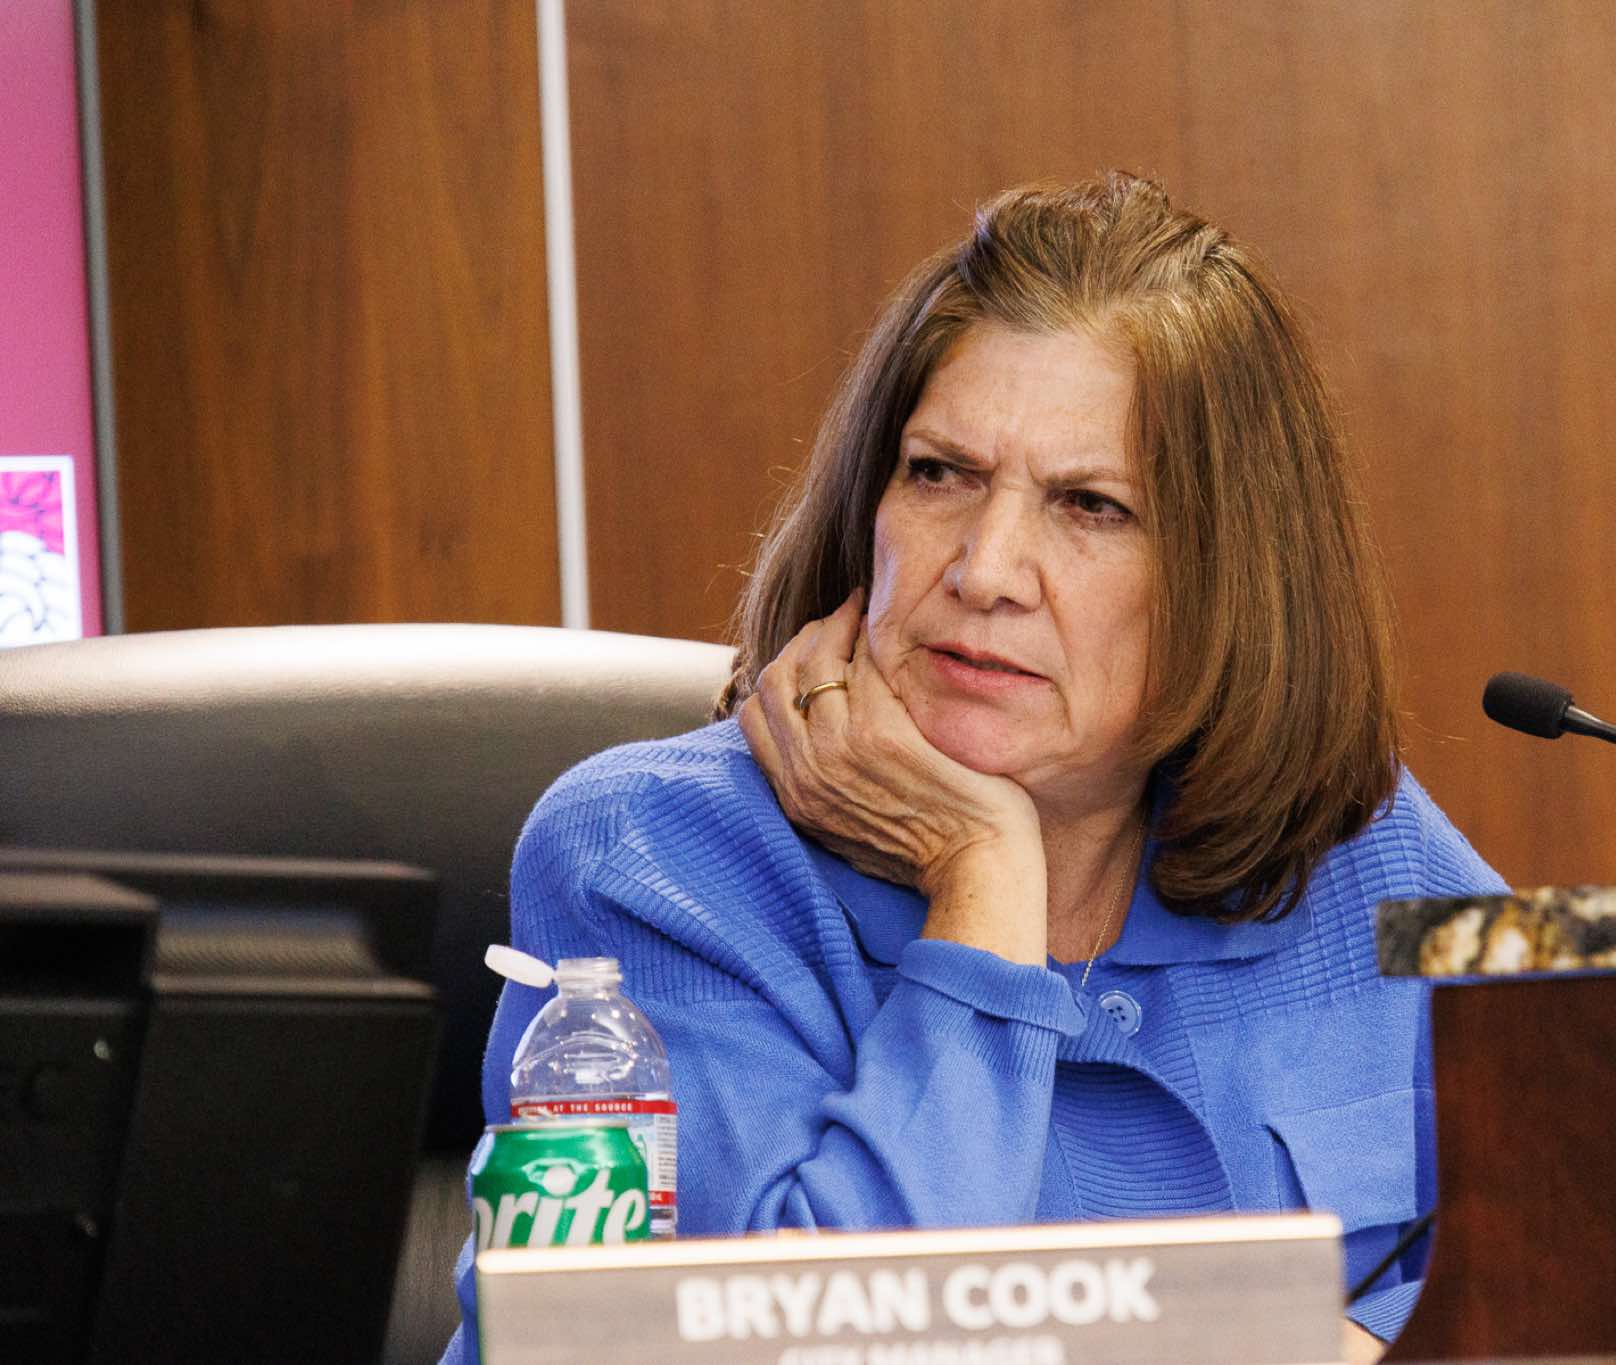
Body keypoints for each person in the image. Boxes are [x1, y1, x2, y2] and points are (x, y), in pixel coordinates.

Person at [442, 173, 1505, 1365]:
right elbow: (786, 1353)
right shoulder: (649, 861)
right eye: (938, 473)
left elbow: (1599, 1190)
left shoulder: (1356, 843)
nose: (985, 569)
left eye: (1089, 506)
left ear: (1234, 579)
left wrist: (1369, 1340)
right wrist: (982, 887)